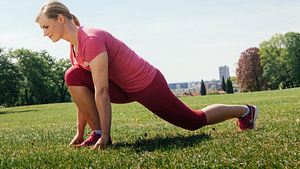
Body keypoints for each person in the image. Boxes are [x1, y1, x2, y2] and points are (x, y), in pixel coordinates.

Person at [35, 1, 259, 150]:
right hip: (122, 87)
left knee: (193, 121)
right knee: (73, 75)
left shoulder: (91, 39)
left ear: (61, 19)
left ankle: (245, 111)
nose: (45, 34)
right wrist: (83, 132)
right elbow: (83, 93)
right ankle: (98, 132)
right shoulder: (74, 49)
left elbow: (101, 90)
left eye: (46, 27)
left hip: (146, 83)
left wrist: (107, 136)